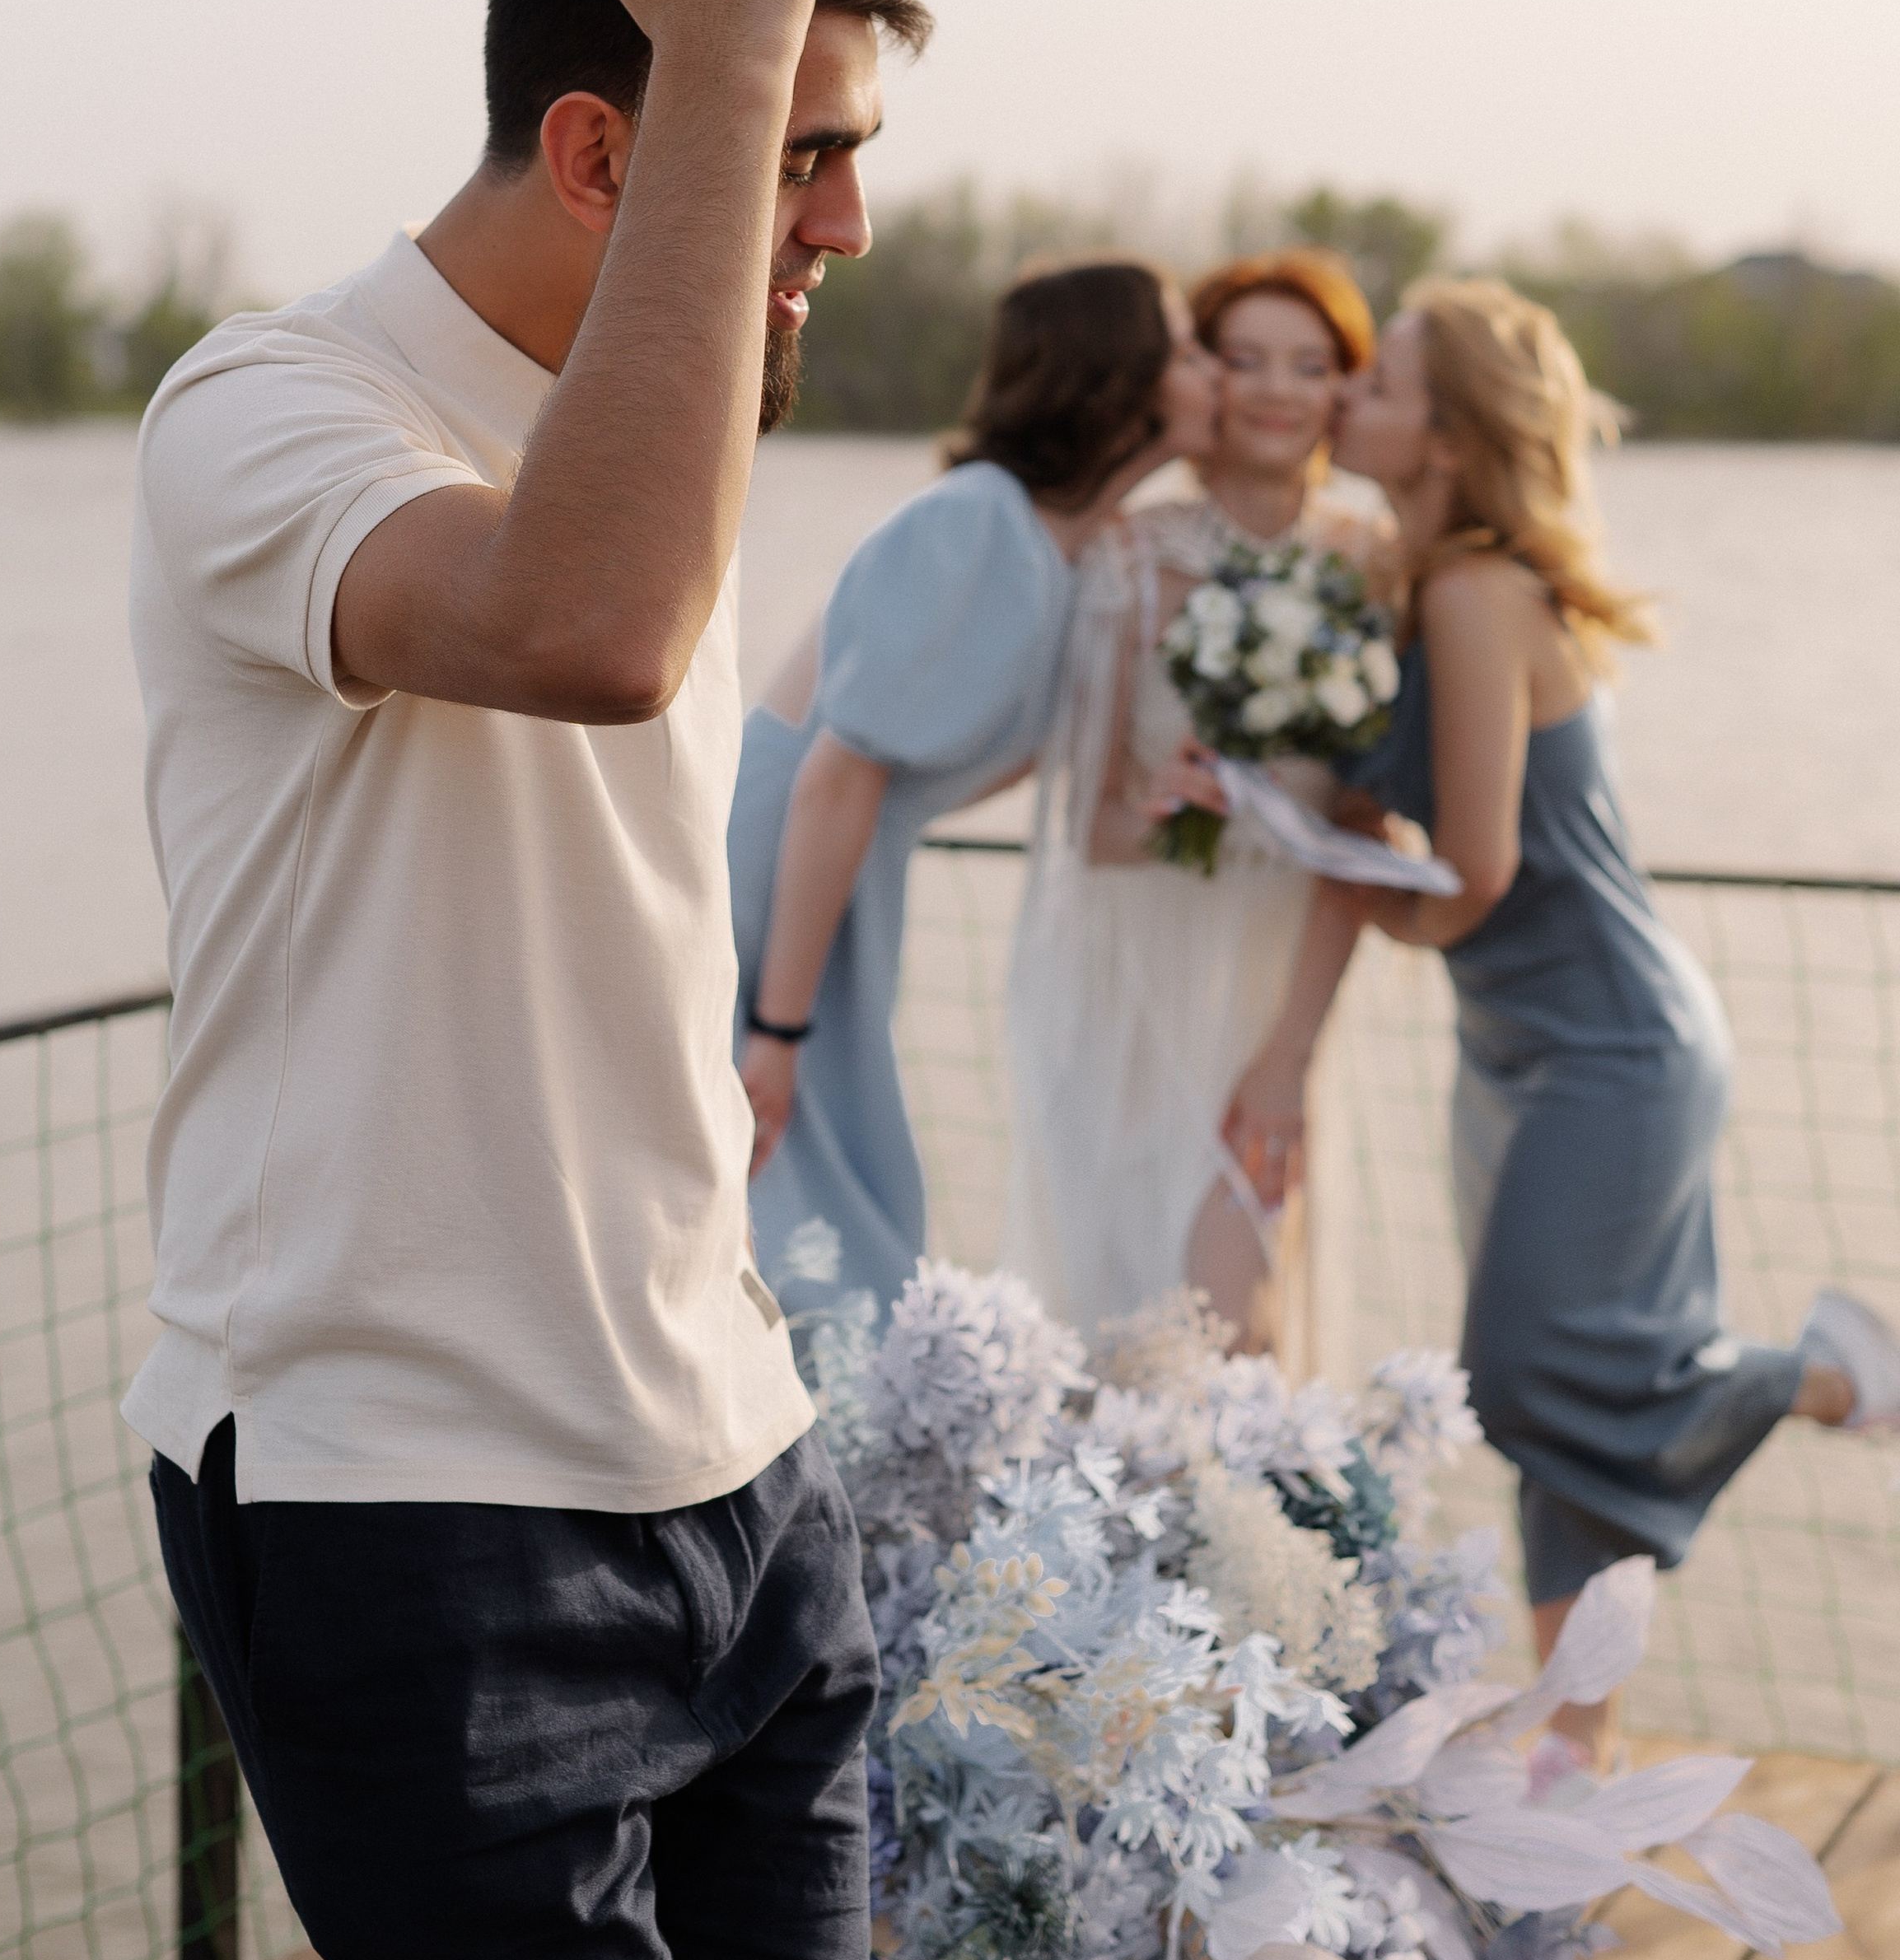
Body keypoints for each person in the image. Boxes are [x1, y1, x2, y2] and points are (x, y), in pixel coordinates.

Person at [124, 0, 934, 1960]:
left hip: (732, 1474)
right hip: (409, 1516)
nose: (845, 227)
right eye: (805, 153)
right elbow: (573, 621)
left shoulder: (666, 433)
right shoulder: (265, 410)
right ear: (615, 142)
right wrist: (720, 33)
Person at [1225, 278, 1900, 1768]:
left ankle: (1841, 1373)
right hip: (1526, 1042)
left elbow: (1471, 876)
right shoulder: (1417, 578)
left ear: (1452, 439)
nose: (1347, 398)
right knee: (1563, 1426)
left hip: (1615, 1043)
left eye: (1382, 384)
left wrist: (1310, 848)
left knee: (1527, 1368)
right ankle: (1570, 1746)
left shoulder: (1475, 590)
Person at [731, 259, 1219, 1311]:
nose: (1214, 370)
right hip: (782, 859)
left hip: (850, 871)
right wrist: (774, 1029)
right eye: (1187, 350)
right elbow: (836, 771)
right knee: (785, 1197)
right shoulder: (976, 524)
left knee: (835, 1215)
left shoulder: (1076, 554)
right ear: (1117, 375)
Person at [1002, 248, 1379, 1357]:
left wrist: (1289, 1054)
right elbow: (1095, 836)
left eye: (1309, 365)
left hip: (1278, 986)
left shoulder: (1374, 566)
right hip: (1138, 985)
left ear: (1342, 389)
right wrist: (1168, 807)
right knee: (1130, 1324)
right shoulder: (1129, 552)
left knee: (1242, 1332)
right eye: (1246, 358)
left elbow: (1364, 838)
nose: (1275, 390)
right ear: (1204, 373)